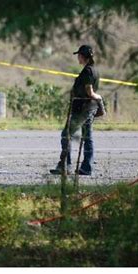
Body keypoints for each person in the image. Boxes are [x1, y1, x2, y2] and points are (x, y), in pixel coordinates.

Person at [51, 45, 102, 176]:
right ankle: (86, 168)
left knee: (65, 135)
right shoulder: (93, 70)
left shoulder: (88, 72)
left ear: (83, 56)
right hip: (88, 108)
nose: (78, 57)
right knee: (87, 137)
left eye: (79, 55)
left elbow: (90, 92)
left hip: (83, 109)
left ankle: (65, 165)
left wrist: (99, 98)